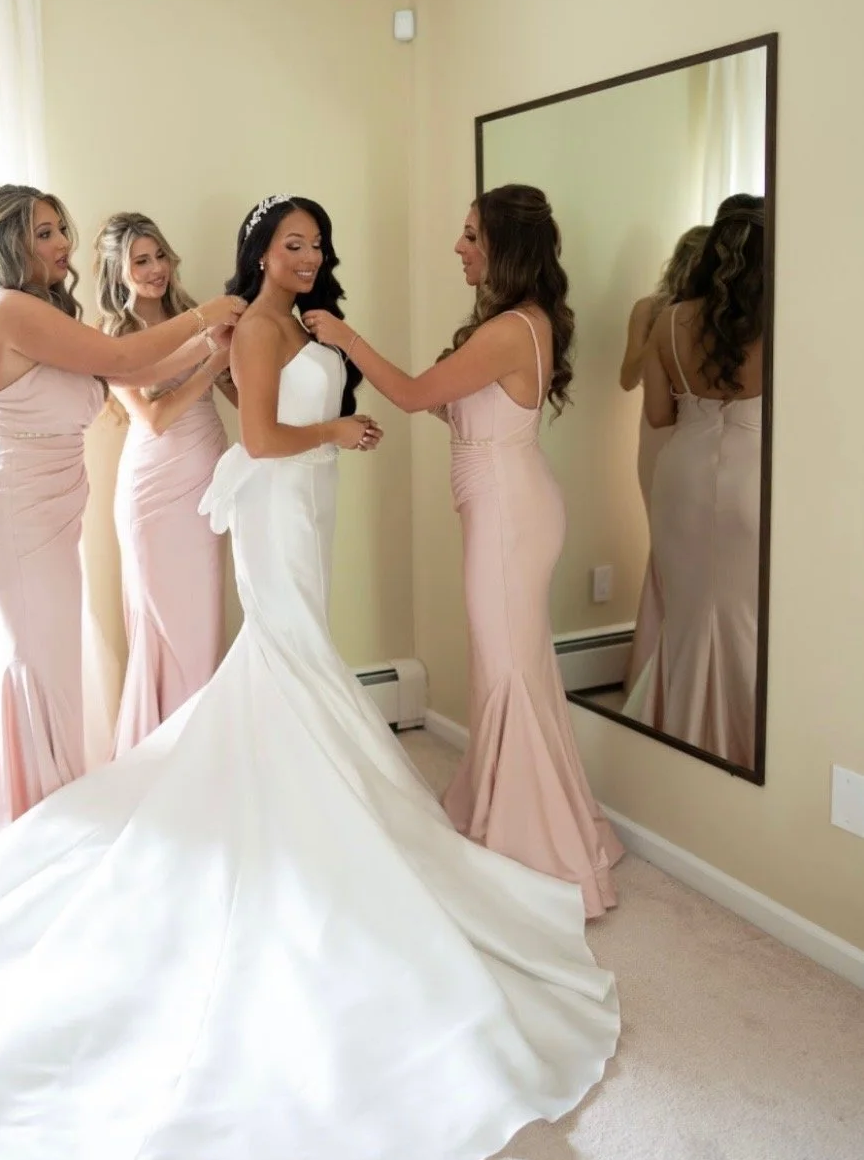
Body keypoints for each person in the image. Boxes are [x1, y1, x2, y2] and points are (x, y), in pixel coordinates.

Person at [0, 192, 619, 1160]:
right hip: (274, 497)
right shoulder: (245, 323)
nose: (310, 254)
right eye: (292, 241)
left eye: (318, 242)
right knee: (279, 663)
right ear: (259, 253)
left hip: (310, 499)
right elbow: (254, 430)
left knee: (297, 665)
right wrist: (318, 412)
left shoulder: (307, 320)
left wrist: (327, 394)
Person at [307, 184, 622, 918]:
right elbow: (455, 405)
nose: (459, 246)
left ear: (504, 248)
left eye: (471, 235)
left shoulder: (513, 327)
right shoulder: (515, 322)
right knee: (513, 668)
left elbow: (417, 395)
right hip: (506, 503)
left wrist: (347, 339)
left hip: (511, 513)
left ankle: (534, 848)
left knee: (509, 671)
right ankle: (530, 819)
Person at [0, 184, 245, 878]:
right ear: (10, 241)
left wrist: (208, 341)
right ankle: (25, 848)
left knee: (48, 682)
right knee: (37, 682)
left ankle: (28, 830)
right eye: (45, 233)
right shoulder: (7, 310)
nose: (61, 246)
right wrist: (207, 314)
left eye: (60, 231)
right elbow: (132, 364)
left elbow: (142, 369)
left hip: (42, 522)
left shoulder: (37, 313)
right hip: (14, 524)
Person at [626, 195, 764, 767]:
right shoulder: (781, 322)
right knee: (743, 612)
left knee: (685, 609)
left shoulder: (669, 319)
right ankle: (746, 742)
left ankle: (677, 734)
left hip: (679, 476)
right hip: (754, 480)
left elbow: (659, 415)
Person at [94, 213, 236, 755]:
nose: (156, 270)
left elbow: (233, 388)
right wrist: (212, 351)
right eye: (140, 261)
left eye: (160, 256)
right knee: (163, 629)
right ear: (120, 272)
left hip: (205, 476)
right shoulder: (117, 335)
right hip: (154, 489)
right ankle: (155, 758)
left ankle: (200, 755)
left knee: (202, 626)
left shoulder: (187, 311)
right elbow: (153, 418)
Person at [620, 225, 709, 690]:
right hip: (658, 440)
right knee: (664, 547)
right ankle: (650, 668)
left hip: (700, 434)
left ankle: (682, 663)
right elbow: (626, 377)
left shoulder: (715, 317)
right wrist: (656, 338)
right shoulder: (649, 310)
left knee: (696, 553)